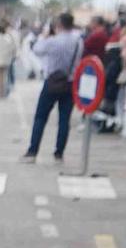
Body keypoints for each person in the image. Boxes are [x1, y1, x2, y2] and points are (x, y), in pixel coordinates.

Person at [24, 12, 85, 161]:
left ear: (59, 24)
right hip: (70, 82)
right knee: (64, 119)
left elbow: (37, 49)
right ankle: (59, 152)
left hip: (51, 82)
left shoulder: (52, 41)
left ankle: (33, 150)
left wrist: (45, 35)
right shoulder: (78, 42)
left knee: (40, 117)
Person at [0, 17, 21, 98]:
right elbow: (13, 47)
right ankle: (4, 93)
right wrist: (13, 55)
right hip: (6, 60)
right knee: (4, 77)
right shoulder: (8, 37)